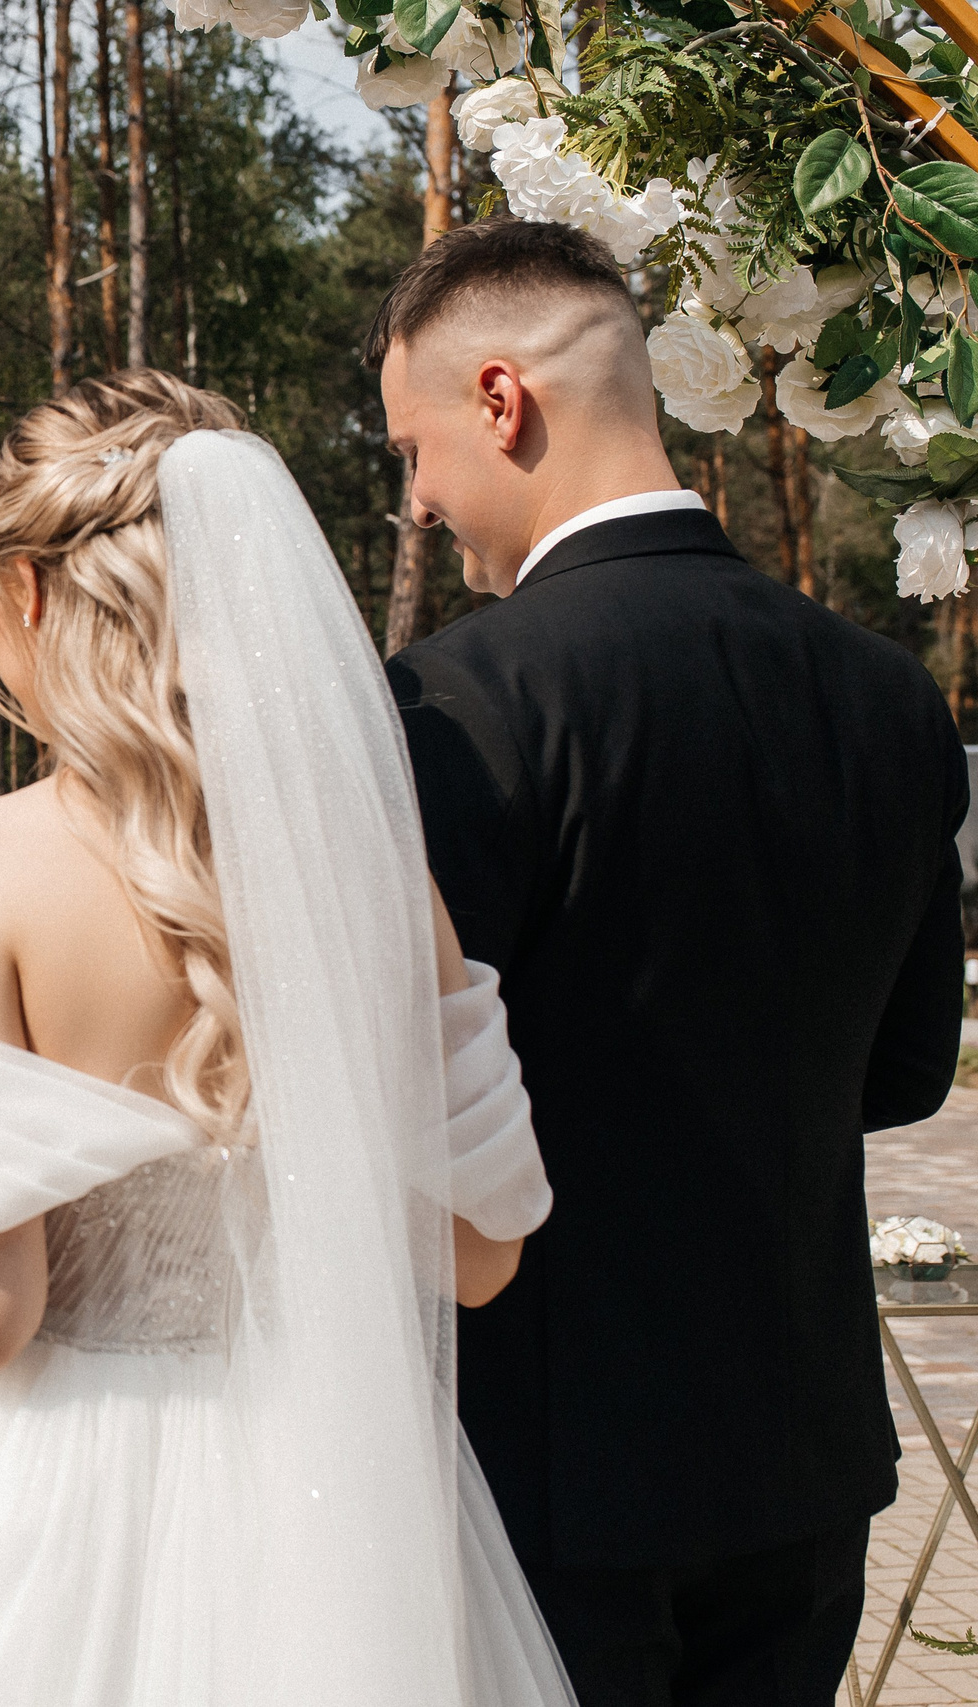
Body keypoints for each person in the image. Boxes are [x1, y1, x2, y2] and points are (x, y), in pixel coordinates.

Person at [0, 374, 565, 1705]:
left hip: (40, 1492)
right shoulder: (378, 875)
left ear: (31, 591)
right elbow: (480, 1252)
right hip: (335, 1498)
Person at [372, 218, 966, 1707]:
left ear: (501, 401)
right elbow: (902, 1069)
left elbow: (414, 1109)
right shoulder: (886, 695)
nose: (422, 500)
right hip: (807, 1446)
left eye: (414, 448)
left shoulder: (461, 705)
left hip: (553, 1465)